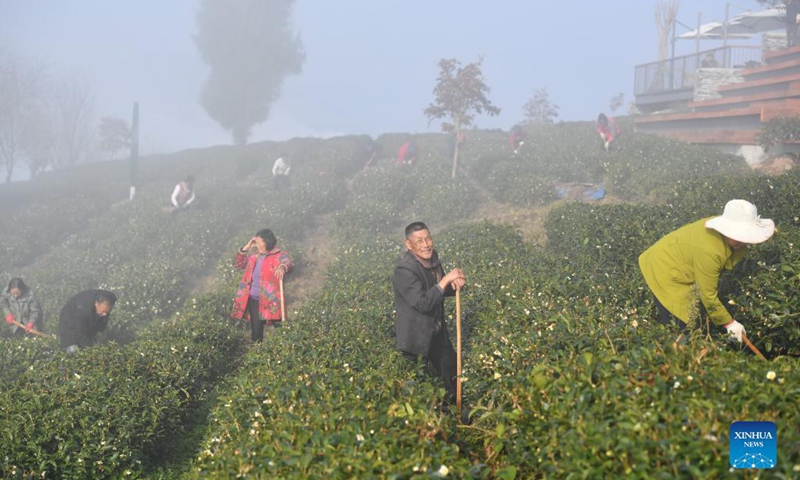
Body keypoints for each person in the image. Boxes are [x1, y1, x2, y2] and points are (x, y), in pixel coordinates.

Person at [638, 200, 775, 343]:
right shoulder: (709, 252)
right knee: (680, 325)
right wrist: (730, 323)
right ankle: (666, 357)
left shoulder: (727, 240)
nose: (743, 240)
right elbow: (707, 294)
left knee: (694, 317)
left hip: (680, 260)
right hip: (664, 267)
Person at [393, 222, 466, 408]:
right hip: (416, 340)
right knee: (426, 390)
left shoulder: (433, 258)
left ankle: (458, 417)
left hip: (437, 333)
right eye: (419, 241)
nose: (426, 244)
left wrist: (453, 285)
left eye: (428, 238)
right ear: (409, 244)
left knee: (452, 375)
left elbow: (439, 289)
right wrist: (446, 280)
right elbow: (423, 303)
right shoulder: (404, 271)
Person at [230, 229, 293, 343]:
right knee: (256, 332)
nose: (257, 245)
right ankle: (258, 355)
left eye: (259, 242)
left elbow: (288, 263)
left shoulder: (278, 255)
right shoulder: (254, 257)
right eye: (256, 242)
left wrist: (282, 267)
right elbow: (237, 264)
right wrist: (247, 247)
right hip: (254, 299)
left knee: (281, 328)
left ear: (267, 242)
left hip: (272, 301)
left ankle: (288, 350)